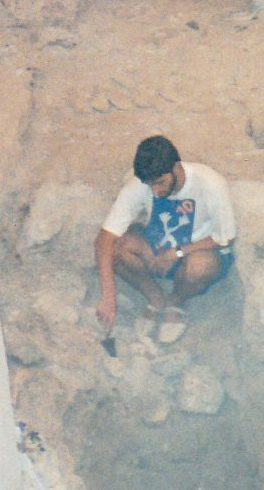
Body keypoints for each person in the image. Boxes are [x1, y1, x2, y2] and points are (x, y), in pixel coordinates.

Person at [95, 136, 236, 343]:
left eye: (160, 183)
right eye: (149, 185)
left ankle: (175, 301)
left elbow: (226, 238)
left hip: (195, 255)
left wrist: (178, 252)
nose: (155, 192)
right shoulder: (143, 184)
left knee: (200, 267)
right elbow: (104, 239)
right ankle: (156, 298)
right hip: (156, 253)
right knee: (117, 247)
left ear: (176, 167)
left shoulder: (210, 184)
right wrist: (108, 296)